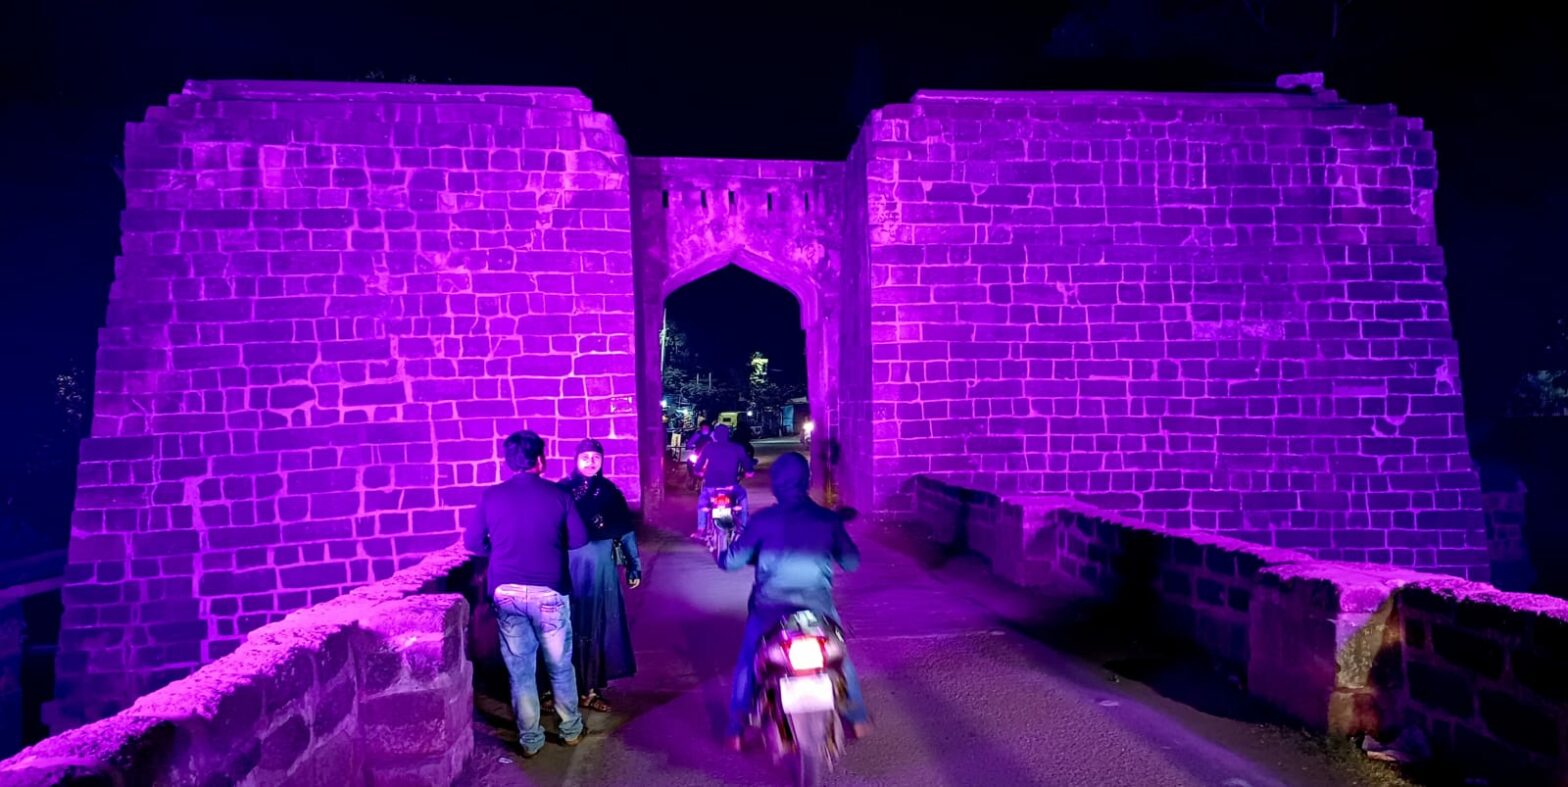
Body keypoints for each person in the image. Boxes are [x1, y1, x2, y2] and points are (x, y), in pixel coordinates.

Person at [715, 452, 870, 749]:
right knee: (839, 656)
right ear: (807, 481)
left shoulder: (763, 521)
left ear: (775, 484)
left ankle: (736, 728)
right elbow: (851, 562)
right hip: (817, 607)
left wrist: (722, 553)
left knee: (749, 658)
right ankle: (858, 717)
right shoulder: (827, 519)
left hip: (769, 609)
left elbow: (731, 562)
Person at [464, 430, 588, 757]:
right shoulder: (558, 496)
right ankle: (570, 729)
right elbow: (579, 539)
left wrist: (498, 551)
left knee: (520, 670)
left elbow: (472, 542)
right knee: (559, 665)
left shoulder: (491, 496)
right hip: (550, 590)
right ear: (541, 460)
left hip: (507, 591)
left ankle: (530, 739)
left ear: (508, 462)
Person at [558, 438, 641, 713]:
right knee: (566, 625)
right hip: (569, 567)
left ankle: (590, 690)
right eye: (585, 457)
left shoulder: (609, 493)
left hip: (601, 569)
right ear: (575, 460)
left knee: (596, 626)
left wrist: (633, 564)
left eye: (596, 457)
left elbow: (625, 531)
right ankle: (560, 688)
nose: (591, 462)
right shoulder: (562, 491)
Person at [692, 424, 757, 541]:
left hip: (711, 486)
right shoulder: (737, 448)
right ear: (728, 435)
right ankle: (743, 528)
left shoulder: (709, 447)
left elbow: (699, 465)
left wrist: (698, 472)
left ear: (715, 436)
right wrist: (749, 472)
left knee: (702, 503)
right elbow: (746, 463)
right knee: (742, 498)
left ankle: (701, 529)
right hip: (731, 486)